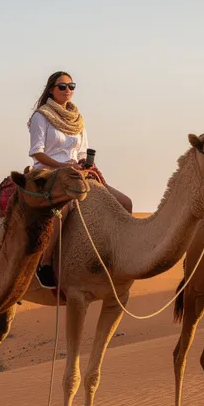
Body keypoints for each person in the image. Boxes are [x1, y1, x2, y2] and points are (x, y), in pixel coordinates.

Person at [28, 71, 131, 288]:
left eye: (71, 86)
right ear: (51, 90)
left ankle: (119, 254)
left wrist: (84, 163)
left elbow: (82, 150)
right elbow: (37, 152)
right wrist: (63, 167)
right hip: (50, 173)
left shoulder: (77, 120)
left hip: (77, 173)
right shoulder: (41, 116)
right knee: (63, 208)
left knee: (124, 202)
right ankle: (45, 263)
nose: (68, 90)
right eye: (62, 86)